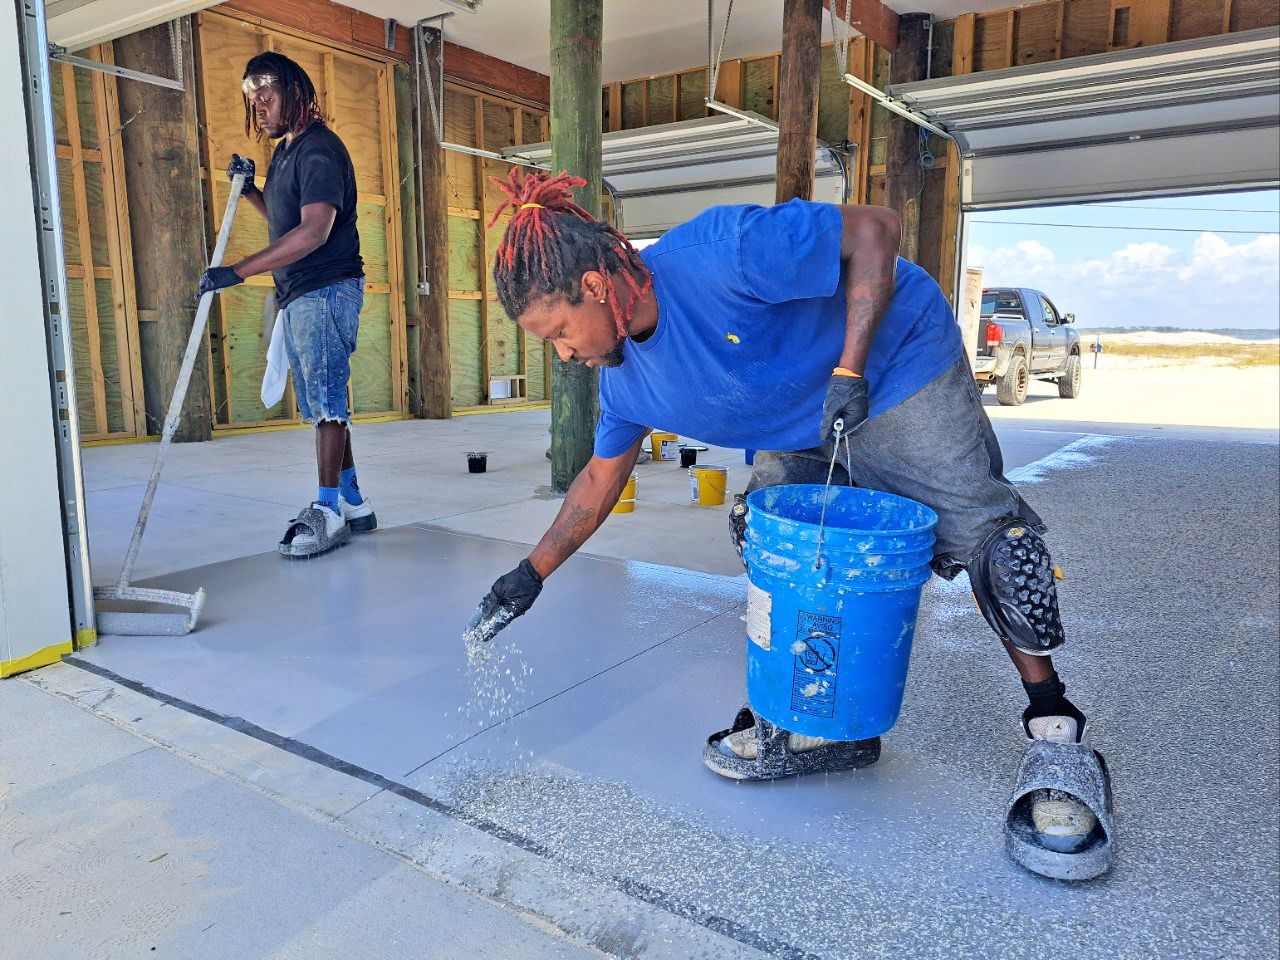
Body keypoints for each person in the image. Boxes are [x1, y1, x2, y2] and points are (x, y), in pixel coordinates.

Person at [463, 169, 1115, 881]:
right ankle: (822, 721)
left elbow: (875, 231)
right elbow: (596, 482)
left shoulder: (721, 252)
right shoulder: (626, 383)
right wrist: (530, 575)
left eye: (558, 332)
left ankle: (1057, 729)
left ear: (594, 285)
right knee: (766, 531)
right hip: (805, 417)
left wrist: (850, 370)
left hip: (892, 364)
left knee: (990, 543)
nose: (564, 354)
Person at [197, 52, 376, 559]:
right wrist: (251, 189)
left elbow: (313, 231)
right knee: (326, 404)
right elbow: (284, 218)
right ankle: (354, 503)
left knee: (326, 404)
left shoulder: (319, 149)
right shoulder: (288, 153)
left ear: (296, 92)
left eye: (267, 97)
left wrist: (238, 270)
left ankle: (326, 512)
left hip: (325, 288)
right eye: (253, 103)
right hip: (302, 292)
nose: (260, 111)